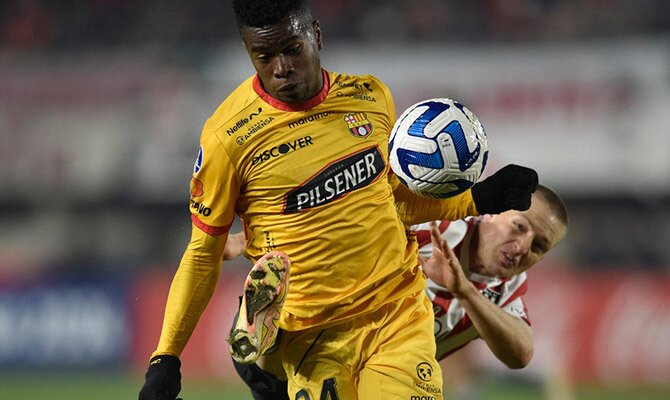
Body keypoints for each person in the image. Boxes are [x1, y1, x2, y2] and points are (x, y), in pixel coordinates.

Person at [138, 1, 539, 399]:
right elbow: (202, 254)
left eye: (292, 49)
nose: (281, 68)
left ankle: (261, 358)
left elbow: (396, 203)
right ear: (250, 54)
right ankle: (264, 355)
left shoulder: (370, 97)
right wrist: (165, 357)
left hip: (396, 313)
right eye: (264, 56)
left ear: (315, 34)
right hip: (314, 336)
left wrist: (476, 198)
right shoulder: (228, 140)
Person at [226, 184, 568, 399]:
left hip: (370, 378)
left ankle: (263, 331)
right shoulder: (433, 223)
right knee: (276, 363)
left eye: (538, 246)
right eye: (519, 227)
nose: (522, 247)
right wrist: (250, 239)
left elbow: (521, 354)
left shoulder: (503, 293)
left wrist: (465, 292)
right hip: (322, 339)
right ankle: (266, 328)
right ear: (491, 214)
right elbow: (342, 217)